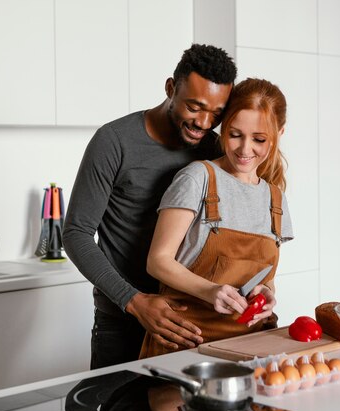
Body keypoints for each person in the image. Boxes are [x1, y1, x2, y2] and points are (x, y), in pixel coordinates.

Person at [62, 44, 237, 370]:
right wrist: (134, 301)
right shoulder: (114, 141)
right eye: (195, 107)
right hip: (123, 320)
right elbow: (76, 233)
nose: (204, 121)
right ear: (171, 88)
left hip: (192, 322)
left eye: (216, 113)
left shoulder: (213, 148)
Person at [139, 78, 294, 361]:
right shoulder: (198, 178)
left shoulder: (275, 198)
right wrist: (211, 291)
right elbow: (158, 260)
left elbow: (266, 278)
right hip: (187, 343)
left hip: (252, 347)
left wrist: (267, 294)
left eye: (259, 139)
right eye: (235, 134)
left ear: (279, 133)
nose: (245, 149)